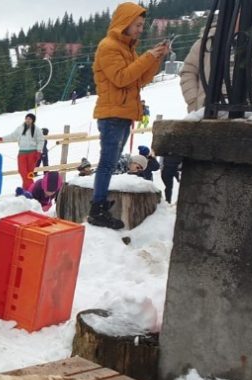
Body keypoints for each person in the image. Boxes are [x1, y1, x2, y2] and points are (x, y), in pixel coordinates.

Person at [88, 2, 168, 229]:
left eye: (142, 25)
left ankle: (99, 204)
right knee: (107, 163)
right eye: (138, 24)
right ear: (126, 22)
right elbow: (121, 78)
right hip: (112, 113)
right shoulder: (109, 46)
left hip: (122, 113)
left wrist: (155, 59)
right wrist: (147, 57)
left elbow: (139, 80)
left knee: (111, 161)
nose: (141, 29)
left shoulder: (127, 48)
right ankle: (97, 208)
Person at [0, 114, 46, 190]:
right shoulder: (20, 128)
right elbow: (12, 136)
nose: (28, 120)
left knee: (29, 173)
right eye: (27, 118)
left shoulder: (36, 129)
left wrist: (38, 151)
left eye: (30, 119)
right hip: (22, 153)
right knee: (22, 171)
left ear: (33, 120)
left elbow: (41, 140)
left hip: (32, 153)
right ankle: (33, 189)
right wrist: (1, 139)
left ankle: (26, 190)